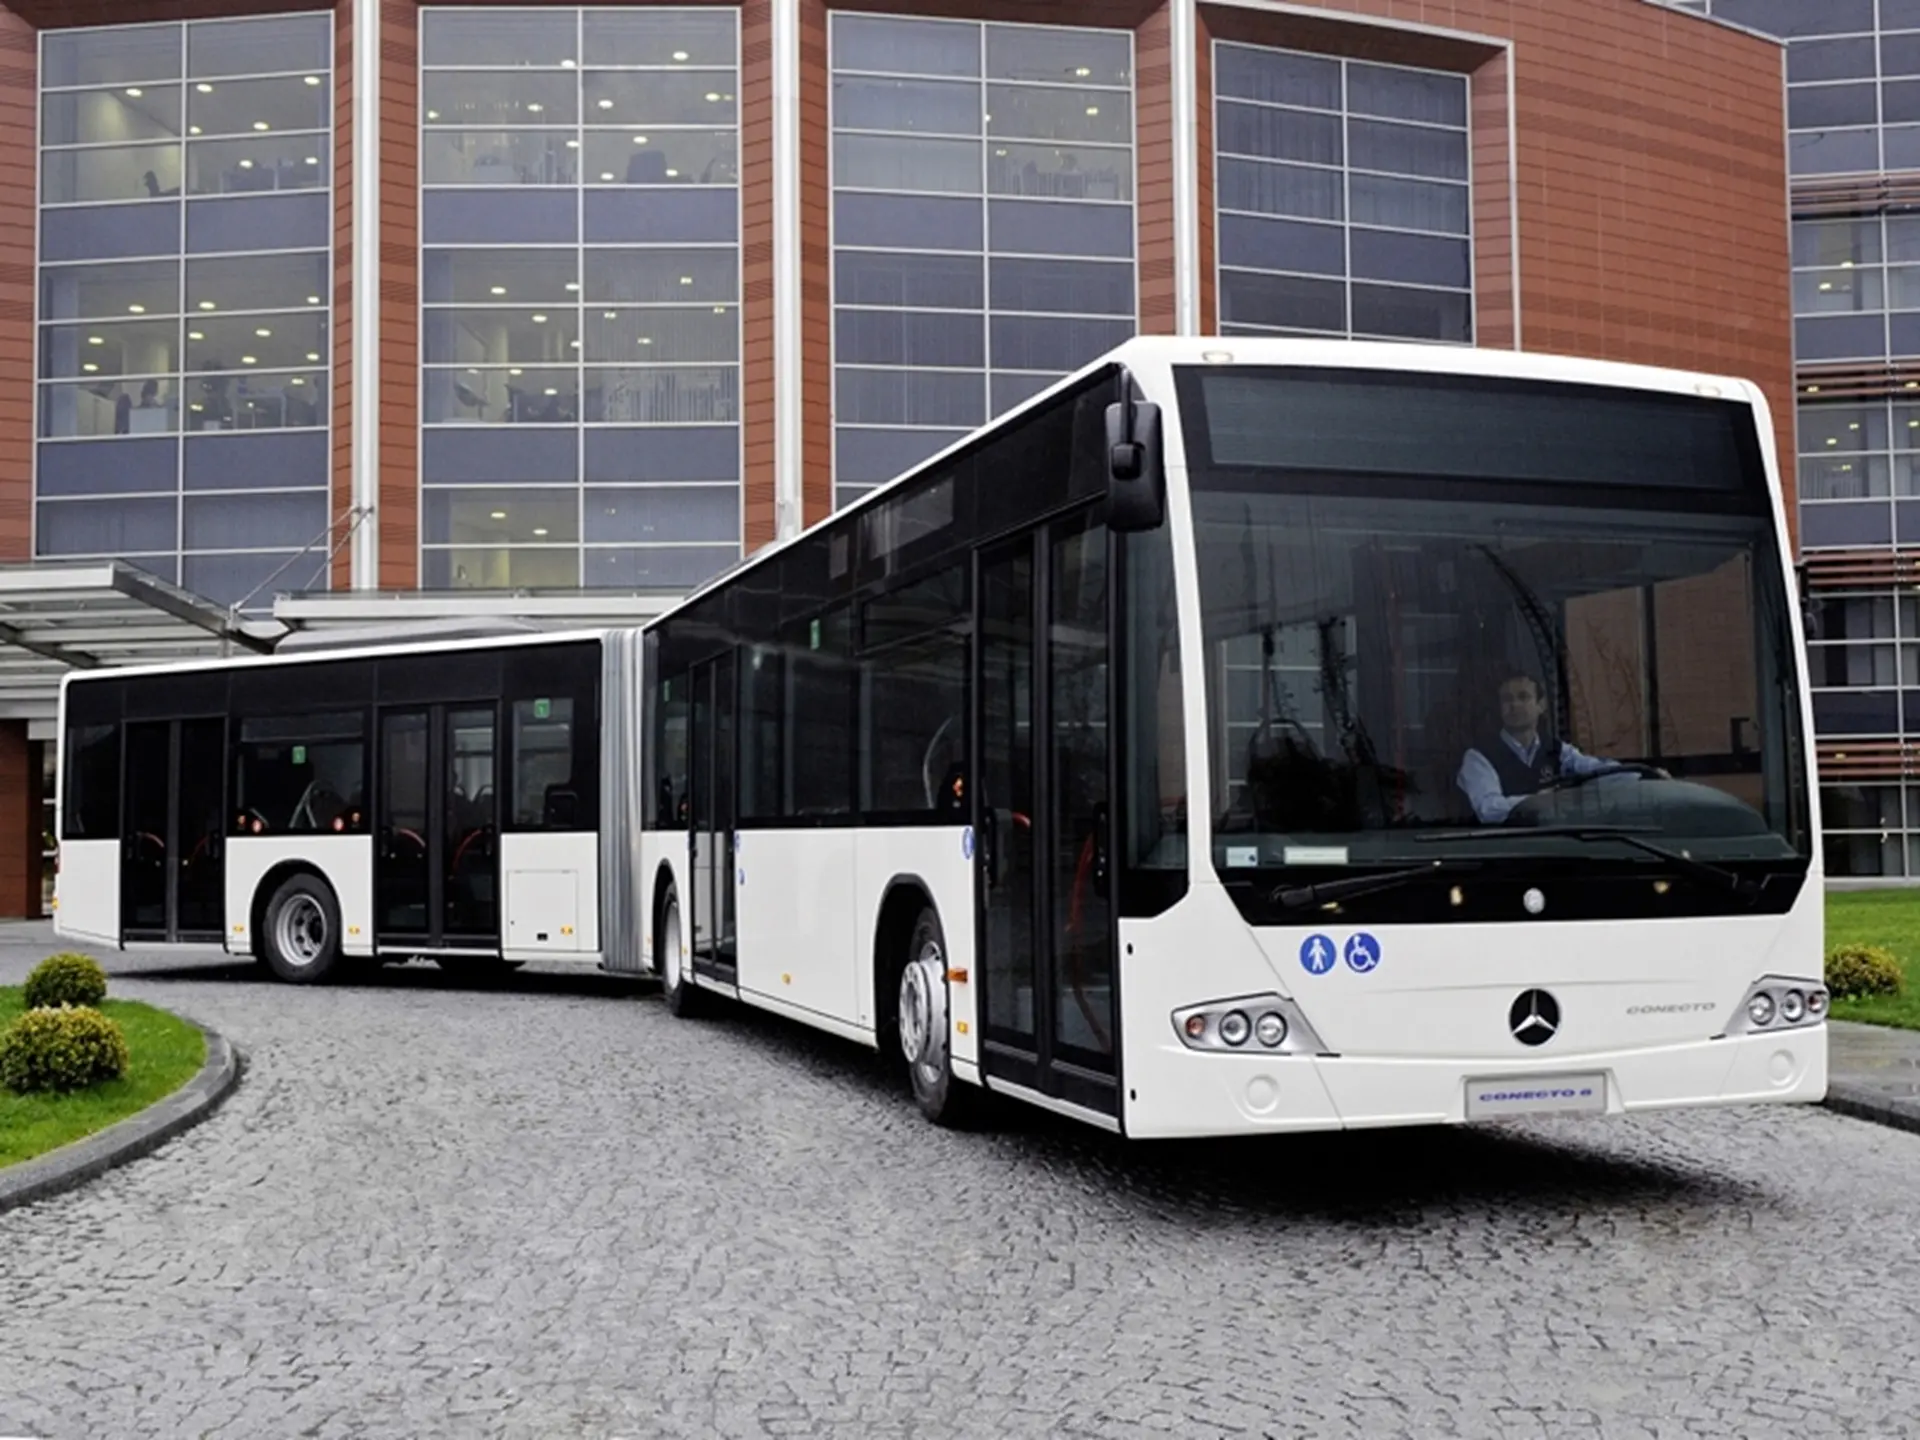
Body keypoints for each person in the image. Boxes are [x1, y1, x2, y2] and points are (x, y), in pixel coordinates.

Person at [1456, 671, 1652, 824]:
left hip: (1554, 846)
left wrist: (1645, 776)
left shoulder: (1557, 751)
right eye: (1507, 700)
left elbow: (1598, 771)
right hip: (1504, 853)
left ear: (1541, 706)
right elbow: (1489, 809)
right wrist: (1539, 801)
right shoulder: (1478, 758)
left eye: (1523, 697)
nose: (1514, 705)